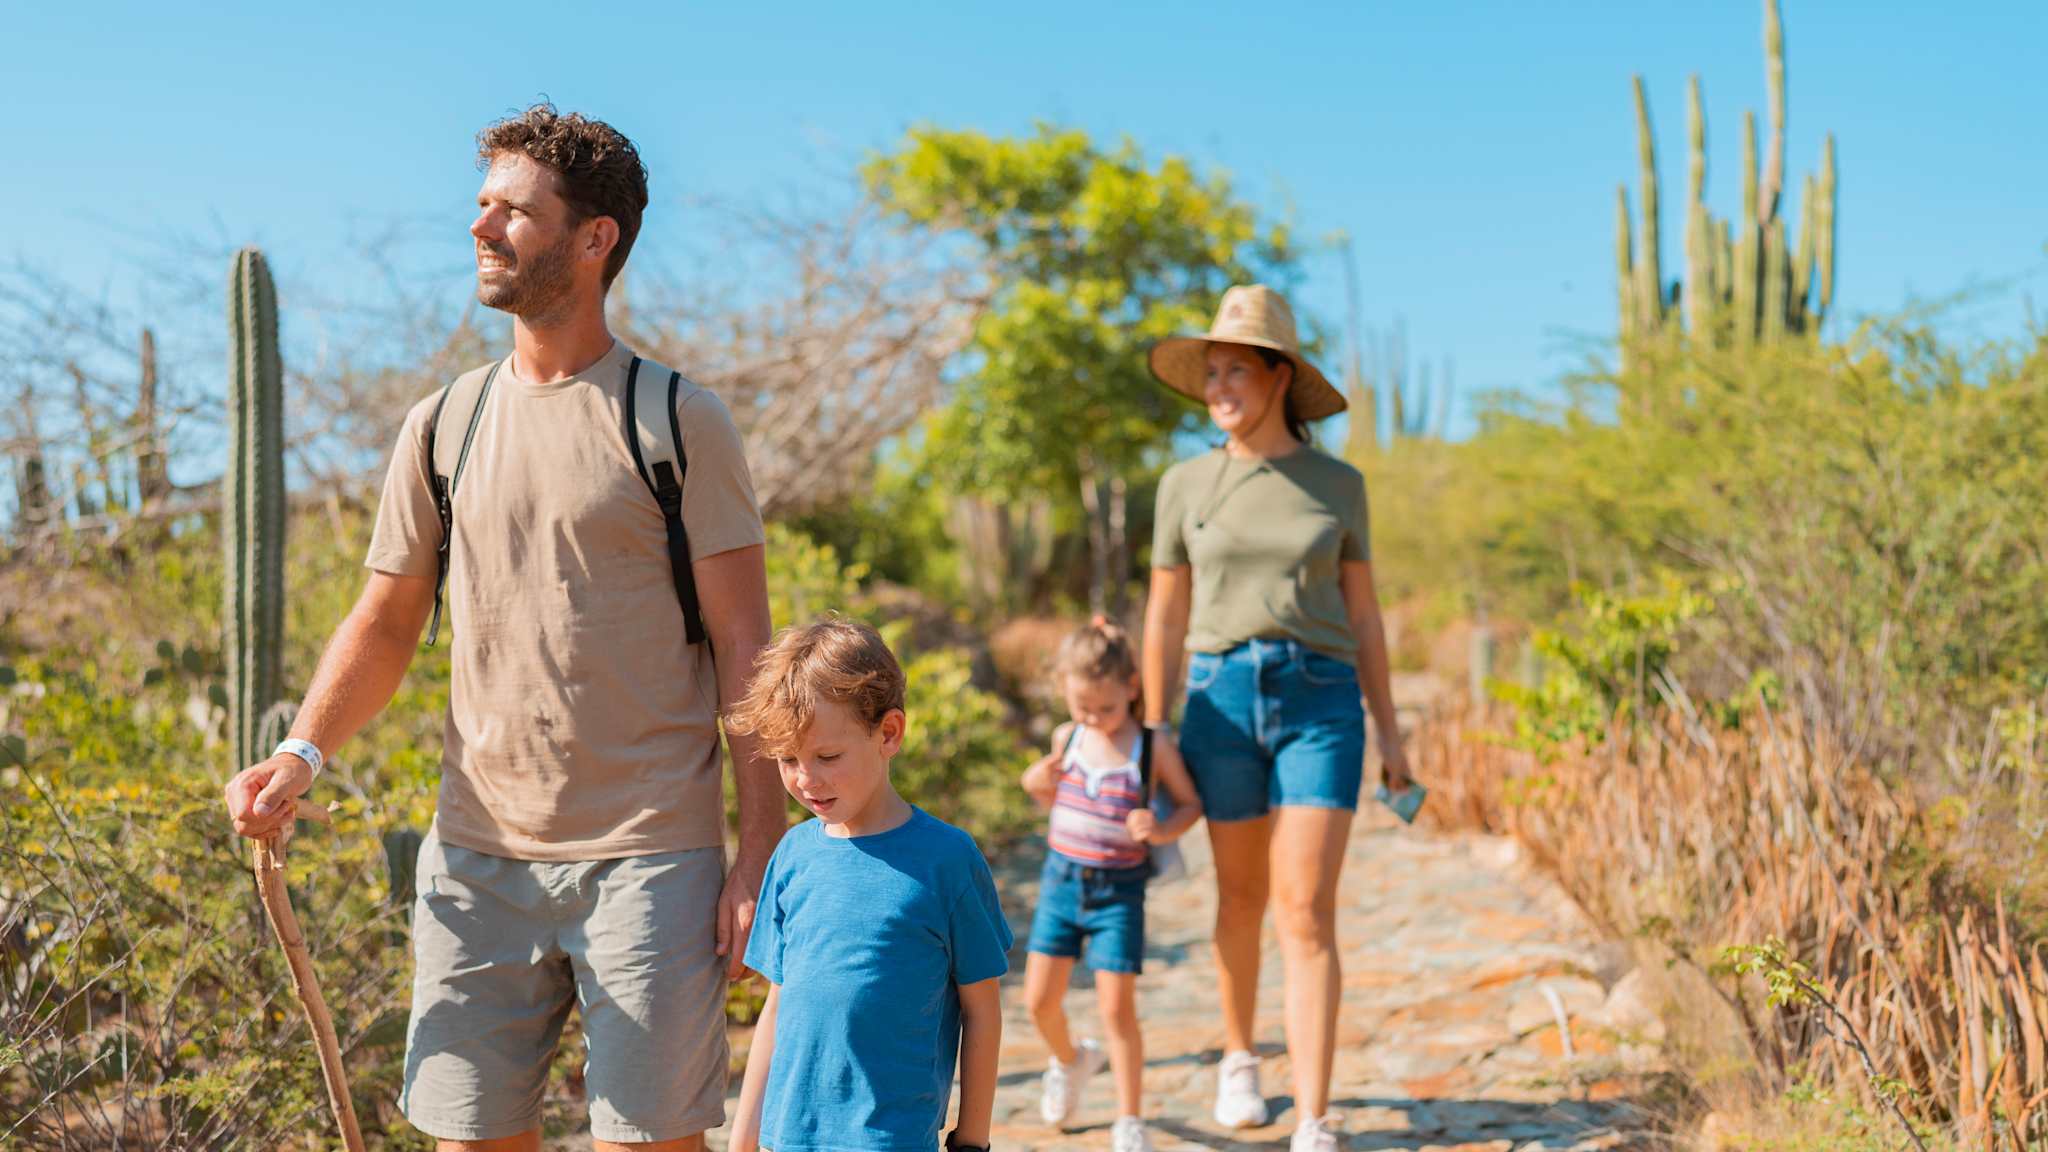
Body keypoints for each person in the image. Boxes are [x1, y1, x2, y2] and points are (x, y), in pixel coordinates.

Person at [223, 104, 780, 1152]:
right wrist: (302, 751)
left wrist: (757, 856)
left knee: (649, 1143)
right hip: (476, 860)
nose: (480, 229)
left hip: (649, 859)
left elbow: (746, 647)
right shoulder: (442, 424)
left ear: (593, 237)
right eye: (481, 206)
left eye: (513, 212)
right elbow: (386, 620)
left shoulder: (673, 419)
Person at [1140, 284, 1416, 1151]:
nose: (1219, 385)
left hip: (1320, 703)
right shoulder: (1184, 484)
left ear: (1279, 375)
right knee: (1240, 899)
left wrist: (1393, 731)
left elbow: (1365, 617)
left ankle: (1315, 1113)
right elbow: (1164, 617)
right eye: (1211, 371)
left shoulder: (1339, 485)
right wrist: (1151, 730)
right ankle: (1238, 1056)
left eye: (1237, 370)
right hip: (1218, 702)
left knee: (1305, 909)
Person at [728, 617, 1011, 1152]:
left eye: (827, 757)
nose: (806, 779)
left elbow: (982, 1007)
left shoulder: (946, 860)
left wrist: (972, 1138)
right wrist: (744, 1138)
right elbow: (779, 1005)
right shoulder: (792, 855)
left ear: (888, 733)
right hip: (787, 1138)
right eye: (788, 759)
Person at [1019, 618, 1202, 1151]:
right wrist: (1035, 784)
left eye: (1106, 709)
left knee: (1117, 1007)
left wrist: (1162, 828)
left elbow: (1191, 803)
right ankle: (1072, 1061)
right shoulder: (1068, 737)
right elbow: (1055, 800)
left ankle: (1129, 1117)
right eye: (1082, 708)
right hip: (1060, 883)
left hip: (1119, 891)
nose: (1094, 719)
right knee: (1037, 1001)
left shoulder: (1150, 747)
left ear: (1132, 689)